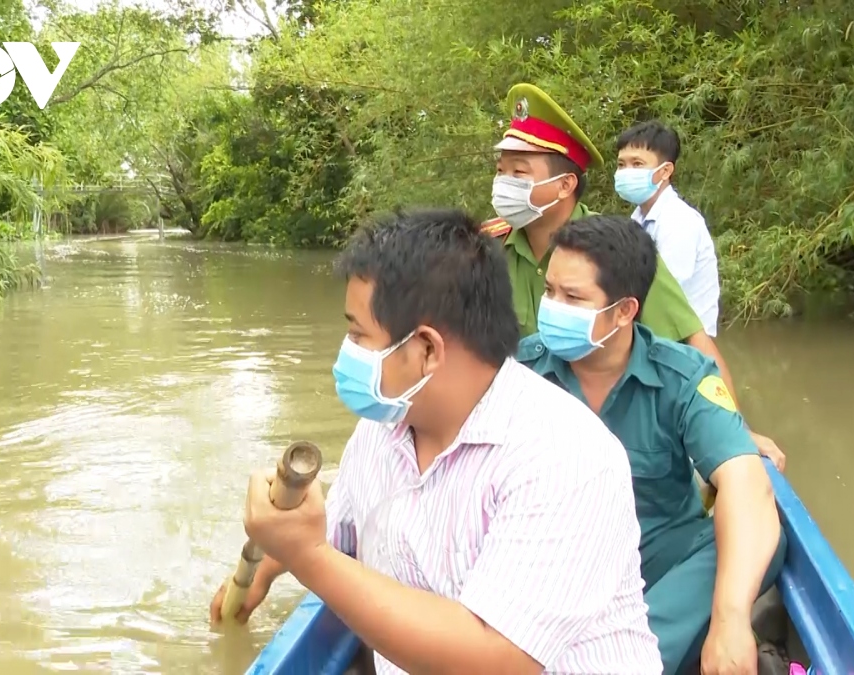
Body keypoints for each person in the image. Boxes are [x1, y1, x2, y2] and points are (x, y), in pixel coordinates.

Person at [211, 208, 663, 674]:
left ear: (427, 349)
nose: (348, 353)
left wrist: (306, 556)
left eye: (358, 334)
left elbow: (498, 659)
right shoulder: (384, 425)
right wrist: (266, 565)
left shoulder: (568, 455)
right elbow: (337, 532)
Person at [516, 213, 786, 675]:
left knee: (756, 531)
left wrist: (729, 619)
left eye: (573, 297)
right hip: (551, 567)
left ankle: (626, 659)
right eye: (550, 292)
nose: (553, 307)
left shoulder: (682, 377)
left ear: (625, 311)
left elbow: (743, 479)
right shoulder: (518, 374)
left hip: (656, 568)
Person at [483, 83, 785, 471]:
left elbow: (693, 341)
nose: (503, 183)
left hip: (610, 443)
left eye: (519, 173)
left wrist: (736, 430)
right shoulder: (484, 251)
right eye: (501, 171)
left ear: (565, 185)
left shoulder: (618, 251)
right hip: (521, 443)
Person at [615, 121, 720, 336]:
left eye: (637, 164)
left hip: (685, 343)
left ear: (665, 171)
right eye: (621, 164)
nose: (626, 172)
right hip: (653, 335)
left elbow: (659, 293)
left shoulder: (680, 222)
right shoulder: (637, 219)